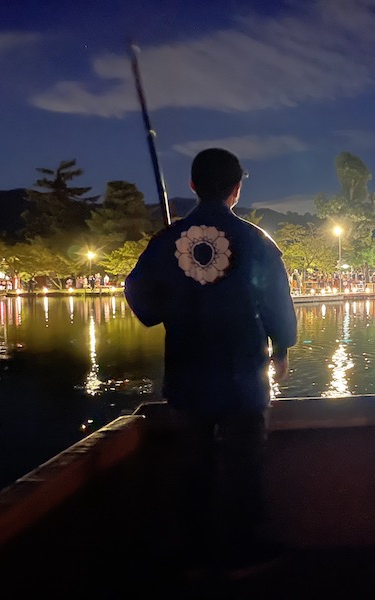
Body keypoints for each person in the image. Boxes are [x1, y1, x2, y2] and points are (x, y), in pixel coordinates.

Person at [124, 147, 298, 578]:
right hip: (243, 375)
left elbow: (139, 295)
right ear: (237, 189)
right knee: (244, 463)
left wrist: (170, 298)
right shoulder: (256, 241)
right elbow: (277, 302)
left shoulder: (168, 241)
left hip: (188, 374)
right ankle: (242, 548)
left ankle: (193, 550)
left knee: (192, 463)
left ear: (192, 185)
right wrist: (282, 348)